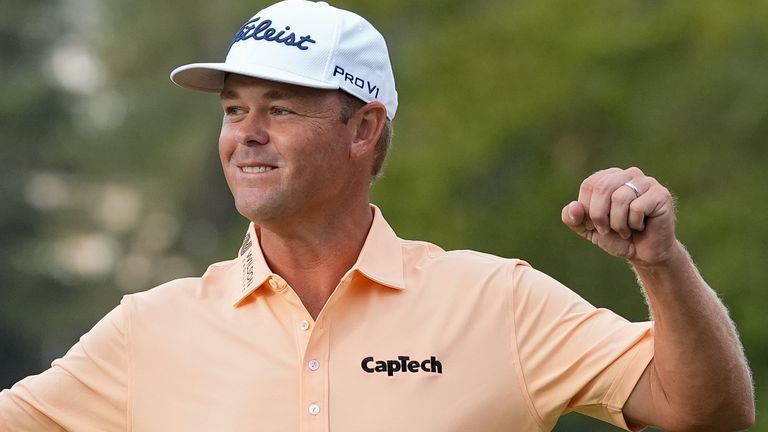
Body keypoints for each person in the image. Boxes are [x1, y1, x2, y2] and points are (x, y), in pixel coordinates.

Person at [0, 0, 755, 430]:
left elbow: (708, 412)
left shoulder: (499, 302)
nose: (245, 135)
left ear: (363, 129)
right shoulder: (150, 330)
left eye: (280, 109)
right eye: (234, 110)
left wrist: (660, 264)